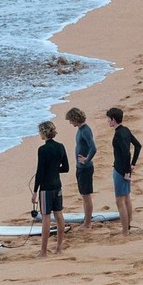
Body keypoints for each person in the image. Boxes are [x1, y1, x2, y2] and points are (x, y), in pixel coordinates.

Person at [32, 120, 69, 256]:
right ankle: (59, 248)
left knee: (46, 217)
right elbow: (65, 168)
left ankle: (43, 251)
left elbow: (39, 172)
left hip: (46, 188)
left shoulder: (42, 150)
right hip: (57, 185)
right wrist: (54, 169)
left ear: (43, 133)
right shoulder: (61, 147)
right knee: (59, 215)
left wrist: (35, 192)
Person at [106, 107, 142, 236]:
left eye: (108, 119)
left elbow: (126, 153)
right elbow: (138, 146)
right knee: (126, 197)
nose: (107, 121)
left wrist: (128, 169)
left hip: (120, 170)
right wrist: (132, 165)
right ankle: (128, 225)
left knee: (119, 200)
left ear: (113, 120)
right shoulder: (126, 130)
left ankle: (125, 231)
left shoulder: (118, 134)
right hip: (125, 169)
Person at [65, 107, 96, 229]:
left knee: (86, 195)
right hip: (80, 168)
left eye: (70, 120)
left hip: (85, 168)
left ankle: (87, 223)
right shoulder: (80, 129)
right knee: (83, 195)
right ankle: (86, 220)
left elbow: (93, 148)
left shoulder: (85, 130)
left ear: (75, 118)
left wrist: (86, 159)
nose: (70, 122)